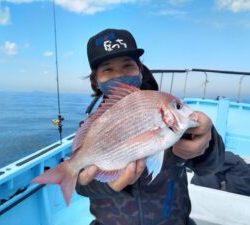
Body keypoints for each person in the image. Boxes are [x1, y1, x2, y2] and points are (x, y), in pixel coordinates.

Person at [75, 28, 225, 225]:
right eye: (108, 69)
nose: (119, 75)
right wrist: (110, 186)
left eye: (128, 66)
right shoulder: (93, 126)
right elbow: (81, 186)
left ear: (139, 69)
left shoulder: (167, 112)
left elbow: (211, 167)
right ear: (96, 80)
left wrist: (208, 143)